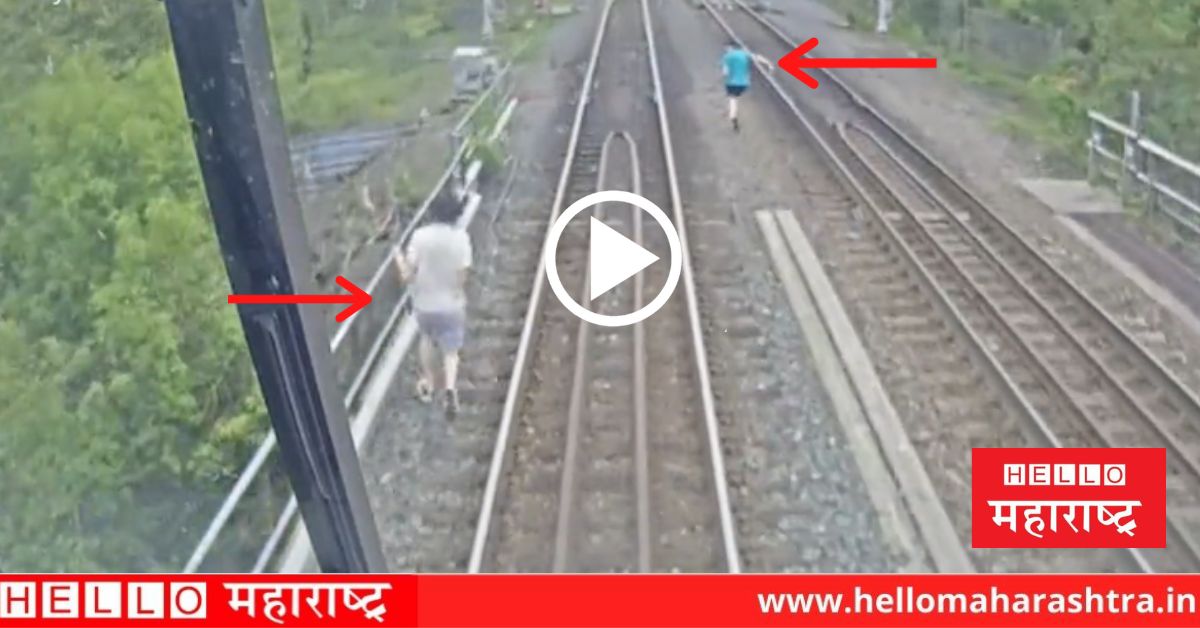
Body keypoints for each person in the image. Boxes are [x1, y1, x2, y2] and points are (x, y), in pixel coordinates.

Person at [395, 196, 472, 415]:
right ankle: (450, 387)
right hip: (452, 303)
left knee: (427, 338)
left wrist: (397, 256)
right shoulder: (461, 238)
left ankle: (429, 380)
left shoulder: (419, 237)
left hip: (425, 304)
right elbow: (463, 276)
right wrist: (457, 292)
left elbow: (407, 276)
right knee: (451, 351)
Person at [721, 40, 770, 132]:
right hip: (744, 83)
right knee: (736, 97)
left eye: (726, 48)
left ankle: (733, 117)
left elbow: (725, 72)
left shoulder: (727, 57)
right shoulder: (744, 53)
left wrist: (726, 73)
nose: (726, 50)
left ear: (729, 47)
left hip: (732, 83)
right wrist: (768, 64)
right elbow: (757, 57)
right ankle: (733, 115)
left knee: (733, 100)